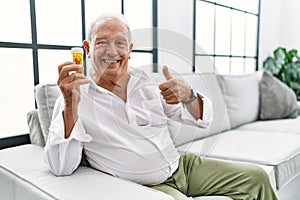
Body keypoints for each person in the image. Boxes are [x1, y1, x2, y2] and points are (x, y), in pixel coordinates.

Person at [44, 13, 278, 200]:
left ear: (130, 49)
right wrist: (70, 106)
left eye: (120, 43)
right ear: (87, 47)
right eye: (102, 42)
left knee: (256, 177)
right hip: (144, 186)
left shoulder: (149, 81)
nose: (112, 51)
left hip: (182, 166)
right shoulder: (73, 96)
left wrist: (188, 96)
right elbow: (60, 166)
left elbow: (202, 118)